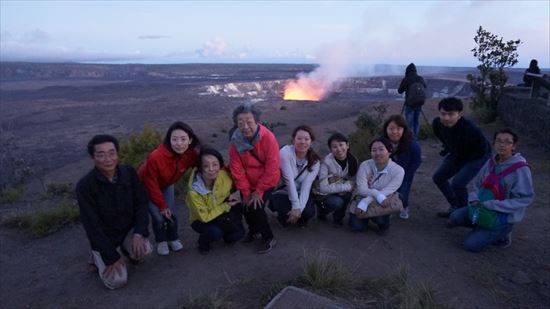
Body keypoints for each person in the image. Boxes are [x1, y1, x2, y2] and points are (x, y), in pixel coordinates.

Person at [76, 135, 152, 289]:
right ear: (93, 157)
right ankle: (97, 257)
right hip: (106, 238)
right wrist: (110, 256)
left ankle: (126, 249)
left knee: (145, 249)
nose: (108, 159)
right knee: (118, 281)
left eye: (111, 153)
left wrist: (138, 233)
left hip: (127, 230)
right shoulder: (85, 186)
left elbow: (141, 203)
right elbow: (91, 226)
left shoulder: (128, 173)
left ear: (117, 154)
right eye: (101, 155)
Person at [447, 129, 534, 252]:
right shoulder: (491, 162)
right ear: (494, 144)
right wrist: (474, 198)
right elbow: (477, 184)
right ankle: (482, 227)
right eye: (498, 141)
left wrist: (493, 205)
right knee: (454, 217)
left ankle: (502, 233)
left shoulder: (520, 169)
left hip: (501, 215)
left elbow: (525, 198)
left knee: (470, 245)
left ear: (514, 146)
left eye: (507, 142)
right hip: (481, 207)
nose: (502, 145)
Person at [138, 121, 199, 256]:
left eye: (183, 139)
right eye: (174, 139)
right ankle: (161, 241)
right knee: (159, 216)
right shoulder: (156, 157)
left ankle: (173, 238)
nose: (179, 143)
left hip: (166, 184)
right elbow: (151, 183)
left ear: (190, 140)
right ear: (169, 139)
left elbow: (203, 164)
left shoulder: (190, 154)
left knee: (172, 213)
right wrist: (162, 206)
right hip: (146, 186)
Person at [228, 103, 280, 254]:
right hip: (247, 182)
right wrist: (244, 191)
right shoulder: (235, 141)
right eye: (240, 122)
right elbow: (236, 168)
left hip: (267, 181)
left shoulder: (268, 138)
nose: (245, 126)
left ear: (256, 121)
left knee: (256, 206)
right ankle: (254, 231)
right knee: (245, 205)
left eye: (249, 122)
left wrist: (259, 191)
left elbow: (272, 167)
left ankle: (268, 237)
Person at [432, 97, 491, 218]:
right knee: (439, 177)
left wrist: (465, 166)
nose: (446, 118)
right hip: (458, 153)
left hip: (478, 155)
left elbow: (483, 149)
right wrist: (449, 150)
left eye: (451, 114)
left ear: (459, 114)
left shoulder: (471, 129)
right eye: (443, 114)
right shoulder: (437, 124)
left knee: (458, 183)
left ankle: (463, 214)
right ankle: (456, 205)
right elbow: (444, 139)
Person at [186, 147, 244, 254]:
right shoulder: (194, 192)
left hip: (219, 213)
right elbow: (205, 217)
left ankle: (226, 234)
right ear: (200, 167)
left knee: (236, 235)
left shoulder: (224, 176)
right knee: (215, 233)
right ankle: (203, 243)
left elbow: (236, 186)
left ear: (220, 165)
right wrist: (226, 206)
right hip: (201, 220)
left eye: (215, 164)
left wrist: (238, 196)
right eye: (206, 165)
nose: (211, 169)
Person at [348, 137, 404, 235]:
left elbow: (387, 191)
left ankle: (379, 218)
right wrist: (374, 193)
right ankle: (367, 217)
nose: (377, 153)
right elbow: (361, 189)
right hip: (363, 197)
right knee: (356, 227)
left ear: (389, 151)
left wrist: (366, 202)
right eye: (374, 150)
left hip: (383, 200)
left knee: (382, 222)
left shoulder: (398, 171)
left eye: (381, 149)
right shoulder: (365, 165)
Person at [270, 125, 321, 228]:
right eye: (299, 138)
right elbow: (289, 181)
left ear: (311, 141)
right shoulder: (285, 153)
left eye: (306, 139)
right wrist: (295, 206)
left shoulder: (315, 161)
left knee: (308, 212)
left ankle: (298, 218)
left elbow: (306, 186)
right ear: (293, 140)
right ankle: (281, 215)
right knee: (285, 214)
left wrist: (298, 210)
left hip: (300, 192)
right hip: (283, 190)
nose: (303, 142)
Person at [382, 115, 421, 219]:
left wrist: (407, 174)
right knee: (388, 192)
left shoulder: (412, 145)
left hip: (405, 174)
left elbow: (416, 161)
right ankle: (389, 208)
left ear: (404, 130)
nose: (394, 132)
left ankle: (404, 206)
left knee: (403, 193)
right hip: (388, 174)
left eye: (398, 129)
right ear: (386, 130)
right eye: (391, 129)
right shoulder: (382, 143)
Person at [315, 133, 358, 226]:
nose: (339, 149)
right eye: (334, 147)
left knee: (347, 196)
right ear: (330, 149)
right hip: (324, 194)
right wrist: (346, 186)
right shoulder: (326, 163)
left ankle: (338, 218)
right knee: (337, 202)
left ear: (347, 145)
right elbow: (323, 188)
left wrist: (347, 187)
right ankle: (322, 210)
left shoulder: (353, 160)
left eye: (341, 145)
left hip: (338, 189)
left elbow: (354, 182)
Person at [398, 62, 427, 138]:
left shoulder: (406, 79)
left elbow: (399, 91)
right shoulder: (420, 78)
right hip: (419, 103)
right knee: (416, 122)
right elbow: (425, 87)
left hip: (409, 104)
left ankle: (410, 140)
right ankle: (416, 138)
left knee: (409, 123)